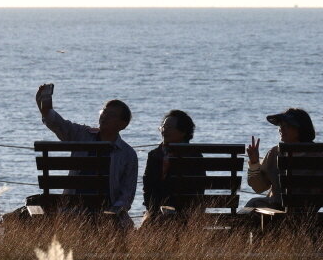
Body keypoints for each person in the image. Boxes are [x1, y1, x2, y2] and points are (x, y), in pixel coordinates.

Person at [35, 82, 138, 226]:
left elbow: (127, 193)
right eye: (104, 111)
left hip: (87, 211)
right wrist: (45, 106)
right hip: (75, 211)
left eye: (111, 114)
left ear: (122, 124)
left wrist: (112, 212)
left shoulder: (128, 154)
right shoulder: (83, 135)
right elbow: (127, 195)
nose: (104, 116)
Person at [242, 107, 315, 212]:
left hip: (279, 209)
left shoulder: (276, 153)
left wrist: (254, 165)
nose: (281, 129)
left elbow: (259, 188)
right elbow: (259, 188)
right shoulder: (320, 153)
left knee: (252, 205)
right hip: (309, 211)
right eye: (281, 126)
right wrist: (254, 162)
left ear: (300, 129)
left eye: (287, 126)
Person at [140, 109, 202, 225]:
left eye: (169, 127)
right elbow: (148, 188)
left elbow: (194, 190)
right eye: (163, 126)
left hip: (182, 214)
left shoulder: (192, 156)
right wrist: (155, 211)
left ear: (183, 132)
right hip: (160, 213)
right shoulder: (154, 155)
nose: (164, 130)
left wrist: (155, 212)